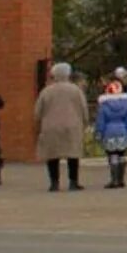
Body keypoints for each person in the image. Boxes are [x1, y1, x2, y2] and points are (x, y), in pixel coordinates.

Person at [34, 62, 89, 192]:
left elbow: (37, 112)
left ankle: (54, 183)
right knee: (73, 155)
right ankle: (73, 182)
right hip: (72, 126)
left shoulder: (46, 91)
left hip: (51, 127)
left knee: (52, 155)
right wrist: (84, 123)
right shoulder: (75, 90)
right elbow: (83, 108)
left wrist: (39, 125)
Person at [94, 80, 127, 189]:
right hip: (123, 132)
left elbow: (100, 121)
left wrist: (99, 132)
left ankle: (114, 180)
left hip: (109, 132)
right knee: (121, 154)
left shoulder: (104, 106)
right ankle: (121, 179)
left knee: (112, 155)